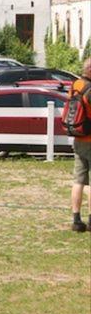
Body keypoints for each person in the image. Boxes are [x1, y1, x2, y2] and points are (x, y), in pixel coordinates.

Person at [69, 57, 91, 232]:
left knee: (79, 180)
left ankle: (76, 219)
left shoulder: (75, 85)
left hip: (78, 137)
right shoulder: (90, 89)